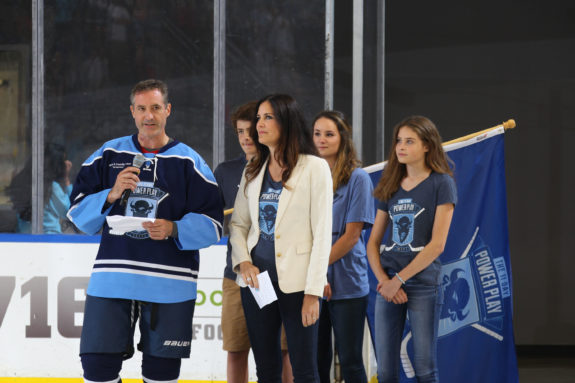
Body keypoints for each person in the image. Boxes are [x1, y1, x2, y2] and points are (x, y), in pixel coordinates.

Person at [67, 79, 223, 383]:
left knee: (161, 373)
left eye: (155, 107)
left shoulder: (190, 162)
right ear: (132, 112)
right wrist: (110, 194)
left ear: (167, 110)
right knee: (96, 368)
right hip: (113, 280)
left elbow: (214, 225)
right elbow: (77, 214)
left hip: (170, 284)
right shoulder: (108, 154)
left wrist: (174, 228)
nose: (148, 116)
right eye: (141, 109)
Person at [230, 94, 333, 383]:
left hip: (299, 285)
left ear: (287, 121)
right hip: (257, 282)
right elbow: (238, 224)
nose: (258, 124)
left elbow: (322, 234)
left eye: (267, 117)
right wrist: (244, 263)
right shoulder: (253, 170)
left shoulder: (314, 167)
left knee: (304, 369)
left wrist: (313, 293)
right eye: (258, 118)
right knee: (266, 367)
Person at [366, 116, 457, 383]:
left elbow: (437, 245)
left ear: (427, 145)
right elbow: (372, 243)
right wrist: (386, 281)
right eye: (398, 141)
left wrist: (400, 280)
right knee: (385, 371)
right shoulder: (390, 184)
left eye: (409, 141)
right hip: (389, 286)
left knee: (425, 369)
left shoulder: (441, 183)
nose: (400, 147)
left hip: (423, 285)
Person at [214, 101, 293, 383]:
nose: (246, 137)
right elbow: (218, 220)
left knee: (283, 349)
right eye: (239, 132)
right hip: (237, 274)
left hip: (279, 272)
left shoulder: (285, 166)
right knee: (236, 348)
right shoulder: (226, 171)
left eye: (250, 130)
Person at [312, 111, 374, 383]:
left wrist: (318, 269)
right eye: (317, 134)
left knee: (349, 360)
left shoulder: (358, 179)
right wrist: (316, 277)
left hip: (348, 282)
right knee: (316, 359)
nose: (321, 140)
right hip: (313, 283)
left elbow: (351, 237)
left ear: (342, 138)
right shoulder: (307, 176)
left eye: (329, 134)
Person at [8, 142, 73, 234]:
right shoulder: (52, 187)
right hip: (49, 237)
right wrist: (66, 179)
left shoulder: (20, 182)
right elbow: (68, 212)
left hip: (23, 236)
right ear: (57, 165)